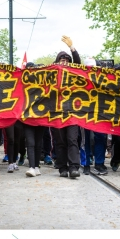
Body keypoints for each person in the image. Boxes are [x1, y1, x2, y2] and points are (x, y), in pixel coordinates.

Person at [51, 36, 82, 178]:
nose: (65, 62)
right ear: (57, 62)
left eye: (67, 60)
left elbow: (78, 64)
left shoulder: (74, 74)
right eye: (62, 60)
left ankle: (74, 167)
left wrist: (72, 49)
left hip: (72, 112)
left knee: (72, 139)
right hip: (56, 112)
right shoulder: (50, 74)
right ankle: (63, 167)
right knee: (60, 141)